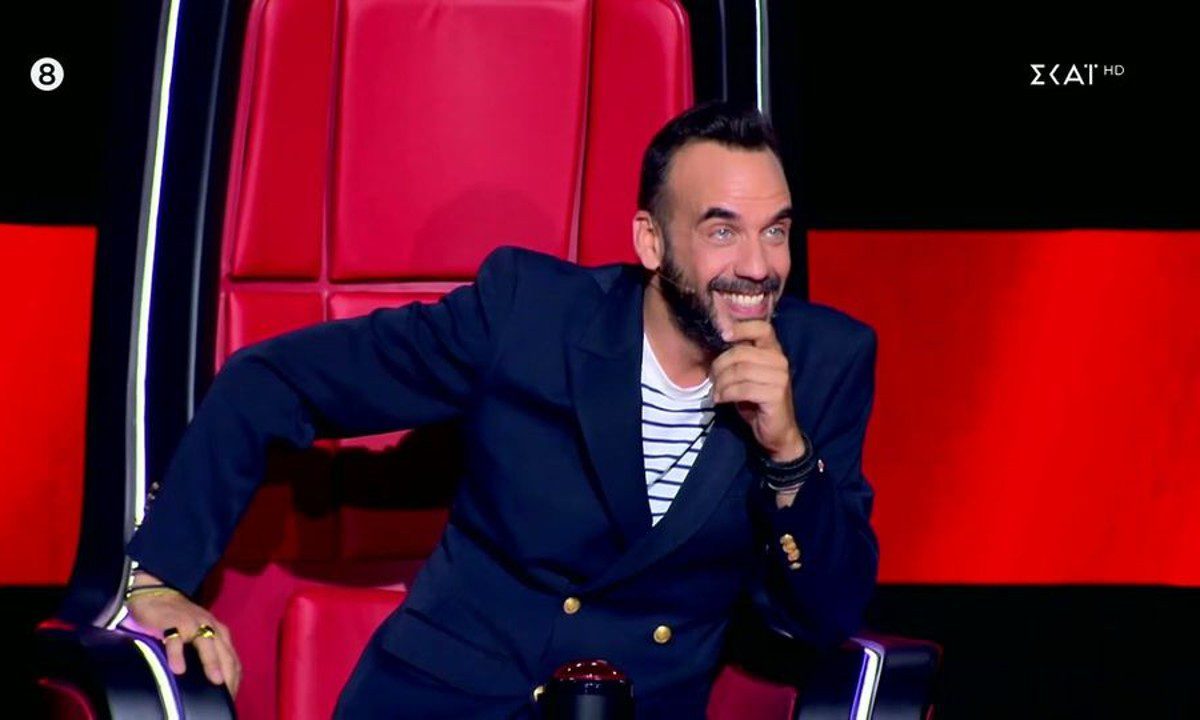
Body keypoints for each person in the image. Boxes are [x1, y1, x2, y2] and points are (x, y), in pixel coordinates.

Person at [124, 101, 879, 718]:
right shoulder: (530, 314)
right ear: (651, 241)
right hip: (448, 699)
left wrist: (788, 456)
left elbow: (827, 616)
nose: (758, 266)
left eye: (775, 231)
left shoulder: (824, 364)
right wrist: (159, 577)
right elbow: (275, 381)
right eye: (722, 231)